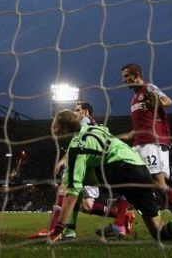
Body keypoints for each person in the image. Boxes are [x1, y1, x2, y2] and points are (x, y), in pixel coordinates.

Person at [48, 109, 172, 243]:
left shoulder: (76, 147)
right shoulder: (97, 128)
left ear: (63, 129)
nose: (53, 131)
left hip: (121, 170)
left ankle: (66, 230)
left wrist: (57, 228)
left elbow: (72, 194)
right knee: (159, 231)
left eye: (55, 127)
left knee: (71, 182)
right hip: (139, 168)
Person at [30, 102, 134, 240]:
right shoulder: (83, 126)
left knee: (66, 189)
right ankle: (123, 216)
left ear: (86, 112)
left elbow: (82, 143)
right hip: (86, 163)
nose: (74, 113)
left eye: (77, 110)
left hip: (88, 165)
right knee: (87, 206)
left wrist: (63, 161)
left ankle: (57, 228)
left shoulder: (86, 122)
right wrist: (63, 160)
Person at [120, 63, 172, 219]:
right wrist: (127, 136)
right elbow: (141, 124)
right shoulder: (134, 98)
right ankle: (121, 223)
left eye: (127, 76)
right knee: (128, 179)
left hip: (151, 141)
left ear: (136, 75)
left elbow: (168, 101)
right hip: (139, 142)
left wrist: (158, 103)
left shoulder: (149, 88)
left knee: (158, 183)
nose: (124, 80)